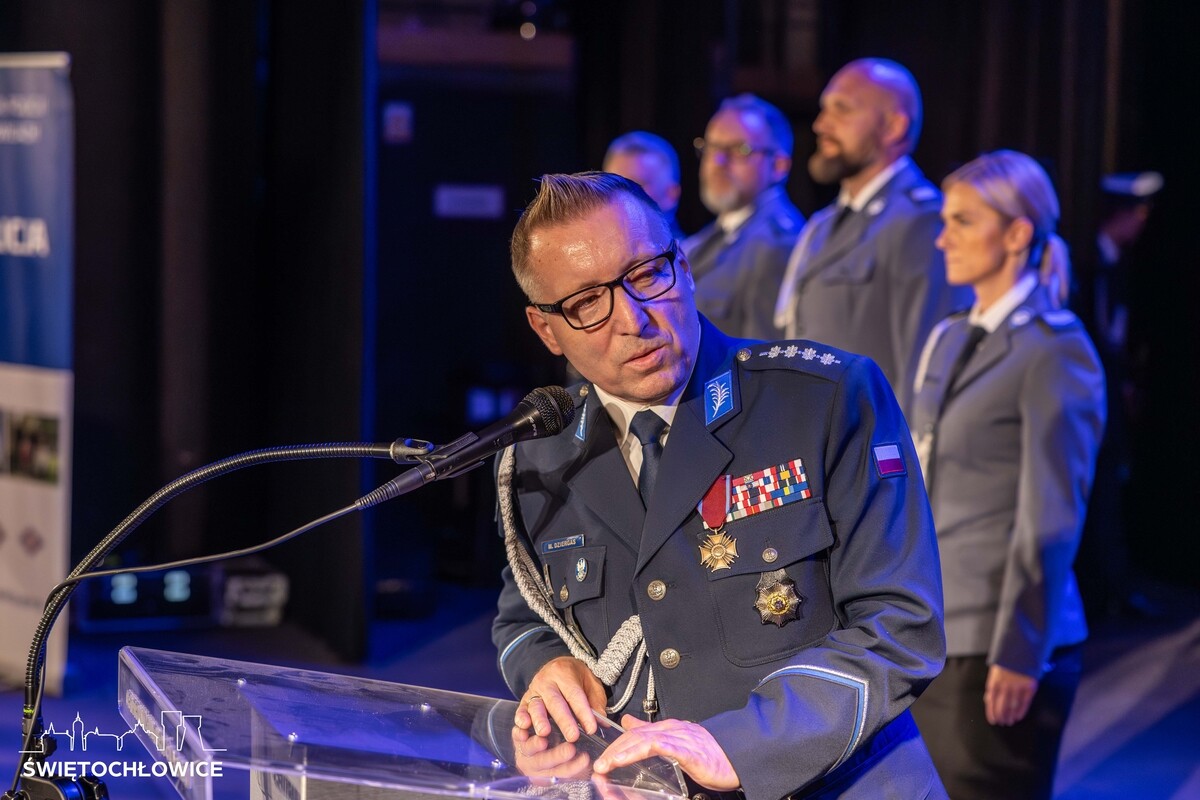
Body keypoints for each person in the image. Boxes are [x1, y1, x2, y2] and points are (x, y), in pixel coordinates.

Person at [493, 171, 947, 799]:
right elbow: (524, 616)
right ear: (547, 330)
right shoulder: (538, 455)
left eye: (647, 274)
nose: (633, 318)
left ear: (684, 265)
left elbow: (900, 624)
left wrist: (743, 744)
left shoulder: (824, 399)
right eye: (587, 303)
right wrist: (547, 669)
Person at [907, 151, 1105, 800]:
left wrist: (1021, 650)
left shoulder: (1056, 348)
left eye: (963, 221)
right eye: (945, 221)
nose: (944, 239)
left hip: (999, 642)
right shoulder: (948, 336)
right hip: (935, 627)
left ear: (1018, 233)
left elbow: (1052, 517)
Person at [775, 58, 969, 417]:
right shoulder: (823, 224)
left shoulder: (922, 221)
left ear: (893, 127)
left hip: (872, 445)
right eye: (823, 109)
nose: (820, 124)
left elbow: (925, 368)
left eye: (842, 109)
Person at [1074, 171, 1163, 619]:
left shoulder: (1120, 266)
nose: (1142, 224)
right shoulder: (1083, 266)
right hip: (1086, 403)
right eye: (1139, 214)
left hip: (1111, 402)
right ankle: (1099, 591)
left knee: (1109, 492)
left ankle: (1113, 589)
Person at [683, 94, 804, 341]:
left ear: (779, 165)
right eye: (711, 147)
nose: (718, 161)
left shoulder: (778, 245)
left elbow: (764, 357)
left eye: (740, 150)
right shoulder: (708, 239)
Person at [603, 130, 685, 241]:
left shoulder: (693, 251)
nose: (620, 196)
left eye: (636, 185)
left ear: (671, 195)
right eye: (613, 185)